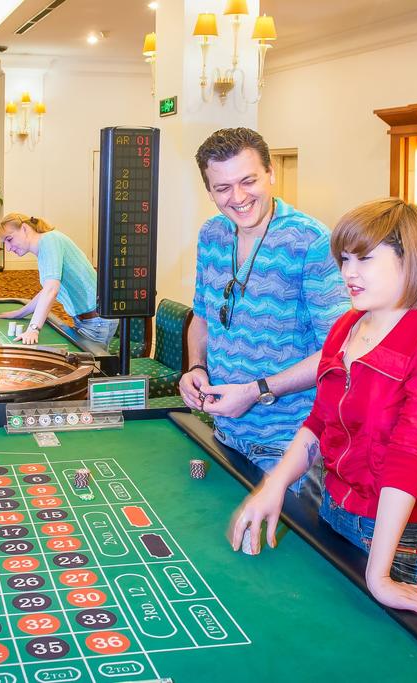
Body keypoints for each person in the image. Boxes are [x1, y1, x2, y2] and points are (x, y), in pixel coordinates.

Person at [230, 198, 417, 621]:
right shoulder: (347, 325)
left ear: (411, 260)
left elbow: (408, 457)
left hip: (403, 539)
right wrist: (274, 485)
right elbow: (319, 421)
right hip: (335, 509)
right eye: (344, 259)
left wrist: (380, 576)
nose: (348, 273)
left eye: (365, 259)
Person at [179, 127, 349, 500]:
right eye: (223, 188)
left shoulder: (312, 242)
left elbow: (338, 352)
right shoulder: (211, 234)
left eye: (248, 181)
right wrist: (196, 367)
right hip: (224, 431)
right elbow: (203, 317)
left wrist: (256, 392)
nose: (238, 198)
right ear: (209, 191)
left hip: (289, 445)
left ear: (271, 173)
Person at [0, 213, 119, 346]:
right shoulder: (47, 243)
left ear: (25, 228)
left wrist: (33, 329)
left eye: (9, 239)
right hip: (92, 318)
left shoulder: (49, 241)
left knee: (88, 360)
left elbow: (51, 290)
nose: (8, 248)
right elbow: (46, 291)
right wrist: (20, 313)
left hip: (96, 321)